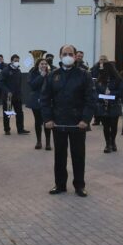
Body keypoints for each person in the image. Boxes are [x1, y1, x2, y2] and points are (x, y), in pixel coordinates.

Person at [41, 45, 96, 197]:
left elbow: (90, 99)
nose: (68, 56)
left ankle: (79, 185)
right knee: (59, 155)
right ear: (60, 56)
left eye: (70, 54)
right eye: (65, 54)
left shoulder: (84, 75)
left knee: (78, 155)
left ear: (75, 55)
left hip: (78, 123)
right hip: (58, 123)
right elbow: (45, 99)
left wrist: (85, 119)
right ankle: (60, 185)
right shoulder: (53, 75)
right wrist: (48, 119)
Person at [94, 62, 123, 153]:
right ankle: (107, 143)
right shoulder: (99, 81)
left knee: (114, 126)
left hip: (114, 105)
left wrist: (111, 95)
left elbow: (121, 92)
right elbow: (95, 93)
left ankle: (113, 141)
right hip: (103, 106)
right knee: (106, 126)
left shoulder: (118, 79)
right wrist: (102, 96)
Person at [0, 54, 30, 135]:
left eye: (18, 61)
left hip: (17, 96)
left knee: (19, 113)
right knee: (7, 113)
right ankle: (7, 129)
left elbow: (19, 84)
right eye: (15, 61)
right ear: (11, 61)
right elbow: (1, 83)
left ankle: (20, 129)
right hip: (8, 97)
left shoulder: (18, 71)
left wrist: (19, 94)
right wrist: (8, 91)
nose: (17, 62)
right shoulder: (5, 71)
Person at [27, 58, 52, 151]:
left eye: (45, 64)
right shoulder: (33, 73)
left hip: (47, 101)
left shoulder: (50, 74)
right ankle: (39, 141)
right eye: (42, 64)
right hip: (36, 100)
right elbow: (33, 85)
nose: (44, 65)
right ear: (38, 65)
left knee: (47, 121)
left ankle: (48, 143)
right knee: (38, 121)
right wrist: (41, 76)